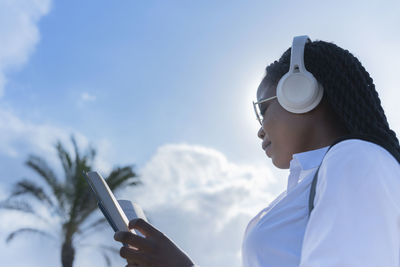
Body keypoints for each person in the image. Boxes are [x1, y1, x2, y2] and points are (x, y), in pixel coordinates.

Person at [114, 36, 400, 267]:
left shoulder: (355, 157)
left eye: (264, 109)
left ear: (301, 92)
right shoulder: (317, 181)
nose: (260, 130)